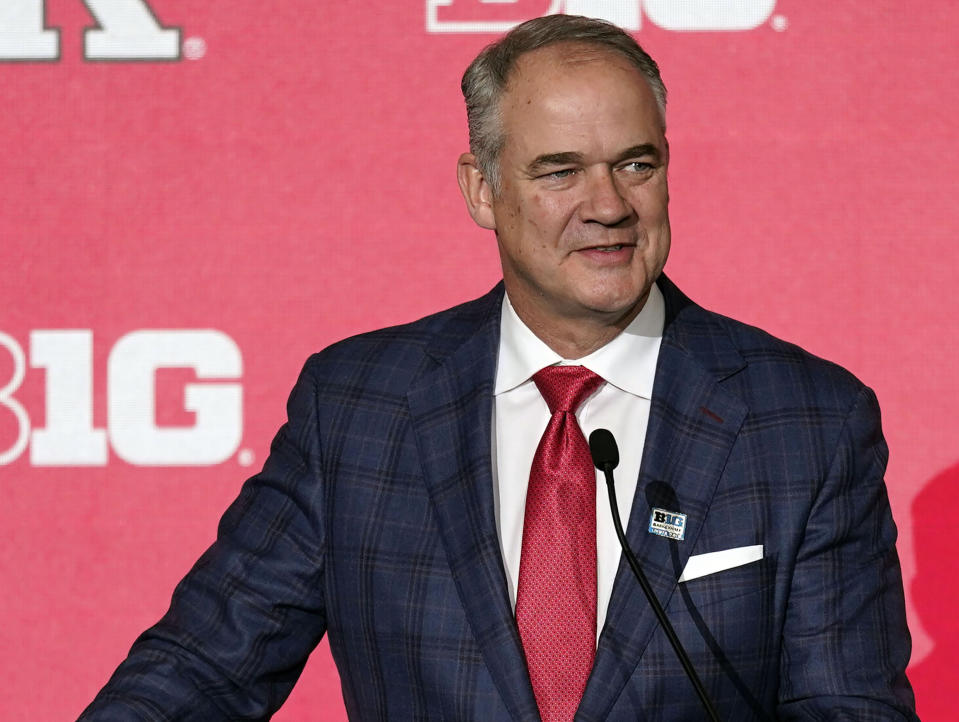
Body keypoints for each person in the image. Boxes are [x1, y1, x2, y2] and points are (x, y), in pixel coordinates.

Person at [80, 15, 917, 721]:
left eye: (636, 163)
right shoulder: (360, 408)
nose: (608, 204)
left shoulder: (804, 421)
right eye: (560, 172)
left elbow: (846, 707)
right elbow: (200, 670)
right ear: (480, 191)